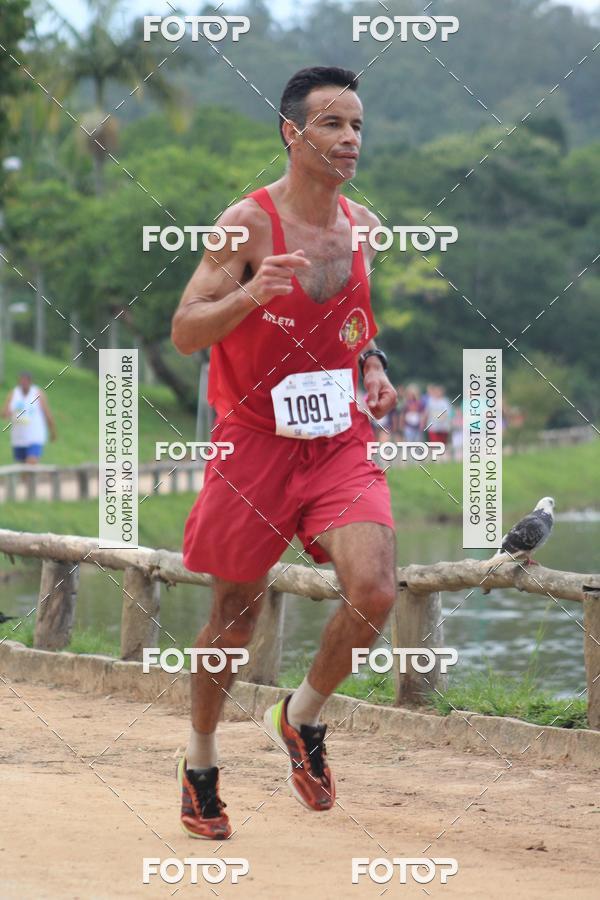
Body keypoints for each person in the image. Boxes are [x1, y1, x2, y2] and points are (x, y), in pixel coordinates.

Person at [171, 66, 398, 839]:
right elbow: (185, 329)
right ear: (291, 133)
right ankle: (201, 763)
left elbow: (356, 324)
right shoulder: (247, 223)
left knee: (373, 591)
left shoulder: (364, 226)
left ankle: (299, 717)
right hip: (254, 443)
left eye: (358, 126)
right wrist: (248, 294)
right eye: (333, 125)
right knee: (232, 619)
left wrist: (373, 365)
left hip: (337, 440)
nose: (350, 141)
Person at [1, 370, 56, 463]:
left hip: (35, 436)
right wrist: (7, 413)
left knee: (31, 464)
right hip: (18, 438)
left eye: (25, 380)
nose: (23, 383)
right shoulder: (13, 394)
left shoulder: (37, 393)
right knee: (23, 469)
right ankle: (31, 477)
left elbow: (47, 414)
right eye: (21, 380)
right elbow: (4, 413)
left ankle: (32, 476)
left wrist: (52, 431)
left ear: (30, 382)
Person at [422, 383, 451, 449]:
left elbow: (448, 413)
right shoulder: (430, 401)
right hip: (433, 426)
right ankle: (435, 457)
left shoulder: (445, 401)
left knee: (442, 444)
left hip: (443, 426)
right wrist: (423, 421)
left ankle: (442, 457)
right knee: (434, 443)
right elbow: (427, 412)